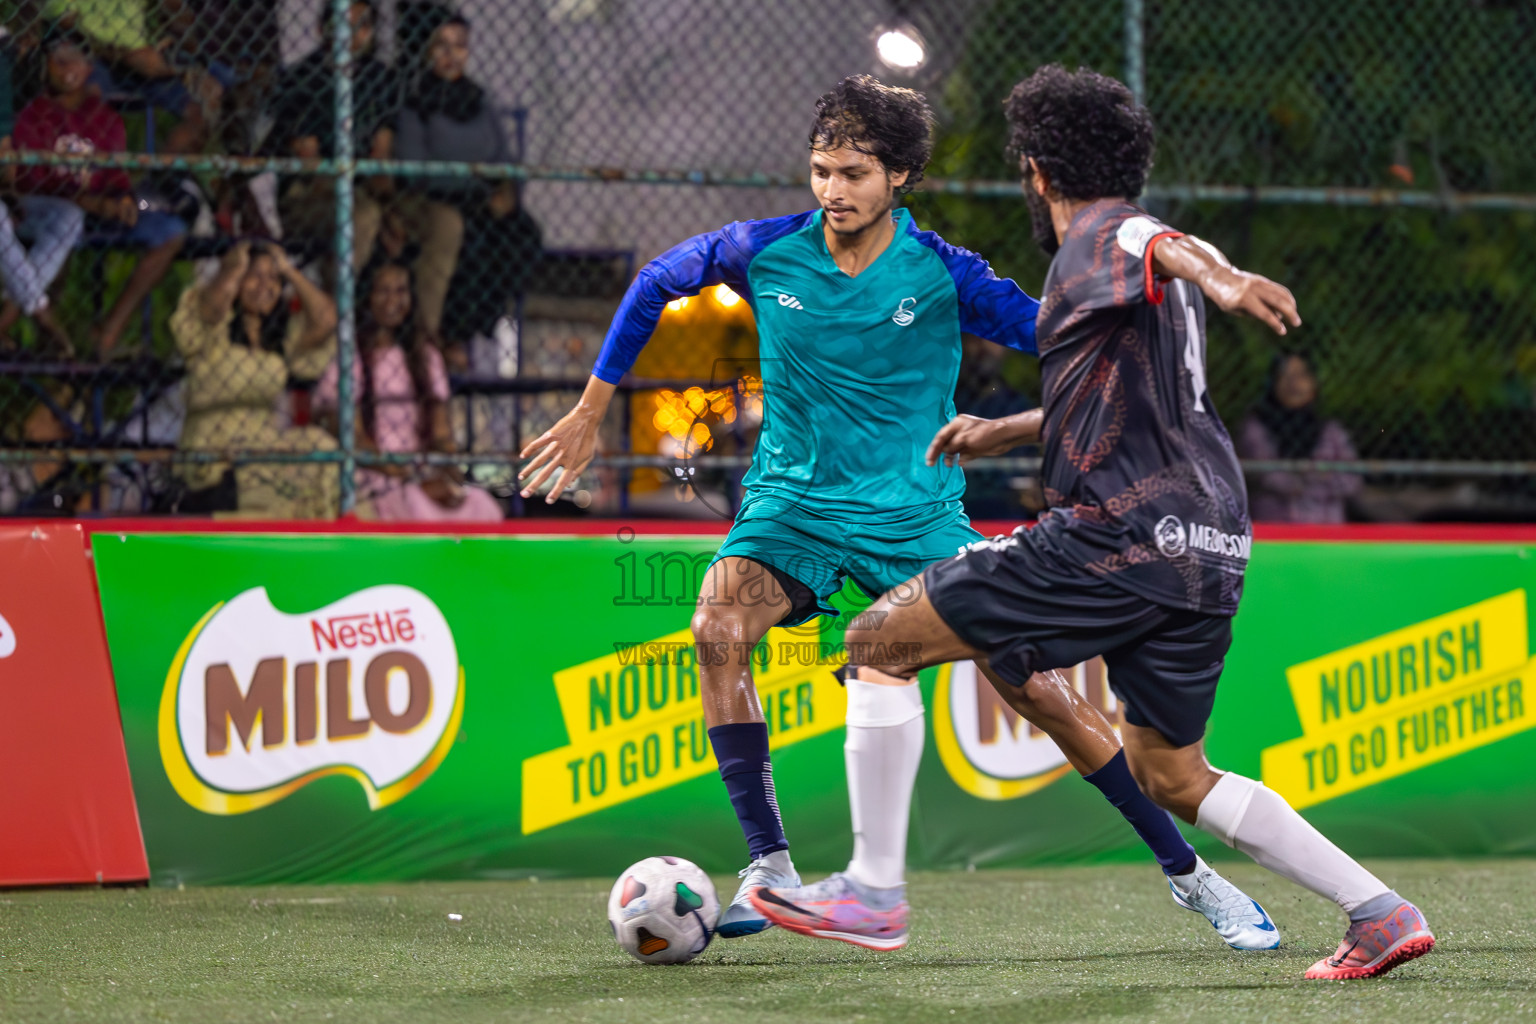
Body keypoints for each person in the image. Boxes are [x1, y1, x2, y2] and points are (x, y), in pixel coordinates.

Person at [520, 75, 1268, 951]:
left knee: (1044, 697)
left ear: (901, 176)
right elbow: (654, 281)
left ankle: (1192, 875)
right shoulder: (765, 251)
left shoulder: (947, 275)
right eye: (821, 170)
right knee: (717, 627)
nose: (833, 190)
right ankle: (773, 865)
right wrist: (590, 407)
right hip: (790, 506)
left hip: (915, 516)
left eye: (854, 173)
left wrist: (1140, 381)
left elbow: (1057, 338)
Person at [755, 65, 1433, 981]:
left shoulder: (1097, 236)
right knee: (1173, 774)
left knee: (878, 640)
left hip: (1120, 531)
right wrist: (1010, 427)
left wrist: (1227, 275)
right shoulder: (1127, 284)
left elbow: (1154, 237)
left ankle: (873, 894)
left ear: (1036, 170)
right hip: (1213, 541)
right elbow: (1122, 388)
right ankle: (1379, 911)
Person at [11, 27, 187, 356]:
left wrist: (121, 199)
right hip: (52, 211)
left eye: (78, 59)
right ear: (45, 65)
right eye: (60, 60)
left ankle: (106, 335)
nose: (69, 67)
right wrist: (91, 201)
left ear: (90, 67)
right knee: (64, 226)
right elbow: (30, 182)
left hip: (98, 211)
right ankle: (23, 327)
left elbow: (115, 178)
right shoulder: (33, 114)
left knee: (168, 225)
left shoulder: (104, 118)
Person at [313, 260, 501, 522]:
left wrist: (446, 470)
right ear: (366, 297)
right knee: (417, 507)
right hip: (375, 474)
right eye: (383, 291)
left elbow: (441, 433)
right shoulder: (350, 358)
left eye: (401, 291)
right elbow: (354, 438)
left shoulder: (425, 357)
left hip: (423, 470)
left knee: (482, 506)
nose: (393, 300)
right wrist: (404, 475)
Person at [170, 242, 339, 519]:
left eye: (273, 278)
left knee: (320, 445)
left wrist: (288, 269)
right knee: (285, 493)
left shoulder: (281, 340)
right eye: (255, 275)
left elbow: (327, 319)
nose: (265, 285)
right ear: (236, 280)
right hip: (216, 453)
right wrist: (234, 266)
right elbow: (213, 306)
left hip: (265, 448)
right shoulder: (214, 332)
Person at [390, 14, 510, 337]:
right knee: (467, 239)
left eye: (460, 46)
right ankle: (446, 337)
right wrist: (469, 180)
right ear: (427, 51)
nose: (451, 55)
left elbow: (504, 158)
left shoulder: (479, 100)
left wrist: (507, 191)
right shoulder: (417, 99)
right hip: (437, 198)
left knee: (521, 235)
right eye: (441, 46)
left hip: (481, 199)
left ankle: (480, 332)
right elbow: (414, 164)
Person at [265, 0, 397, 271]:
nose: (352, 35)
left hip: (364, 190)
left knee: (436, 221)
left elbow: (381, 157)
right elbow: (311, 167)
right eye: (343, 26)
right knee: (363, 216)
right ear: (321, 29)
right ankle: (335, 309)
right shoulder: (302, 78)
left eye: (363, 26)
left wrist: (386, 203)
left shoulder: (379, 78)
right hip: (307, 196)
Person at [1237, 351, 1362, 523]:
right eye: (1285, 376)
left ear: (1313, 384)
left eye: (1301, 375)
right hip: (1275, 529)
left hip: (1327, 530)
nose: (1293, 383)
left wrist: (1304, 479)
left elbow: (1352, 481)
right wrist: (1318, 476)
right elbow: (1267, 477)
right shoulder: (1256, 428)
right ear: (1273, 384)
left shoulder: (1331, 431)